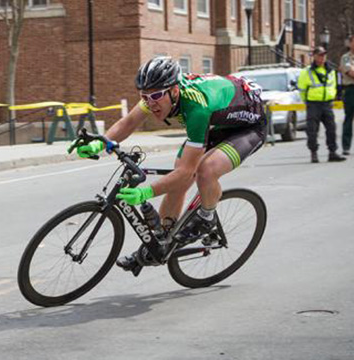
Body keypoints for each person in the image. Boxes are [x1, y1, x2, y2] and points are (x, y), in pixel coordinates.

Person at [68, 56, 268, 273]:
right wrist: (100, 143)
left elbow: (186, 172)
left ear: (174, 91)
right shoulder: (156, 96)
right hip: (217, 122)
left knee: (204, 171)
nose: (150, 102)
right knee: (177, 183)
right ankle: (162, 244)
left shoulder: (196, 107)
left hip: (248, 128)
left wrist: (146, 192)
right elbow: (128, 122)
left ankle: (206, 217)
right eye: (145, 96)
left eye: (155, 96)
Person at [297, 46, 346, 163]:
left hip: (327, 104)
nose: (322, 57)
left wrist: (331, 98)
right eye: (319, 55)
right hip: (313, 103)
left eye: (324, 55)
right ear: (314, 56)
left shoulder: (330, 71)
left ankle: (332, 152)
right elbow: (302, 89)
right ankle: (313, 153)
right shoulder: (307, 72)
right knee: (312, 130)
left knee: (331, 128)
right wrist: (307, 101)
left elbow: (333, 86)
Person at [339, 35, 354, 156]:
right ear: (350, 43)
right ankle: (346, 146)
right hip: (350, 90)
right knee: (349, 118)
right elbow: (350, 72)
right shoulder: (346, 58)